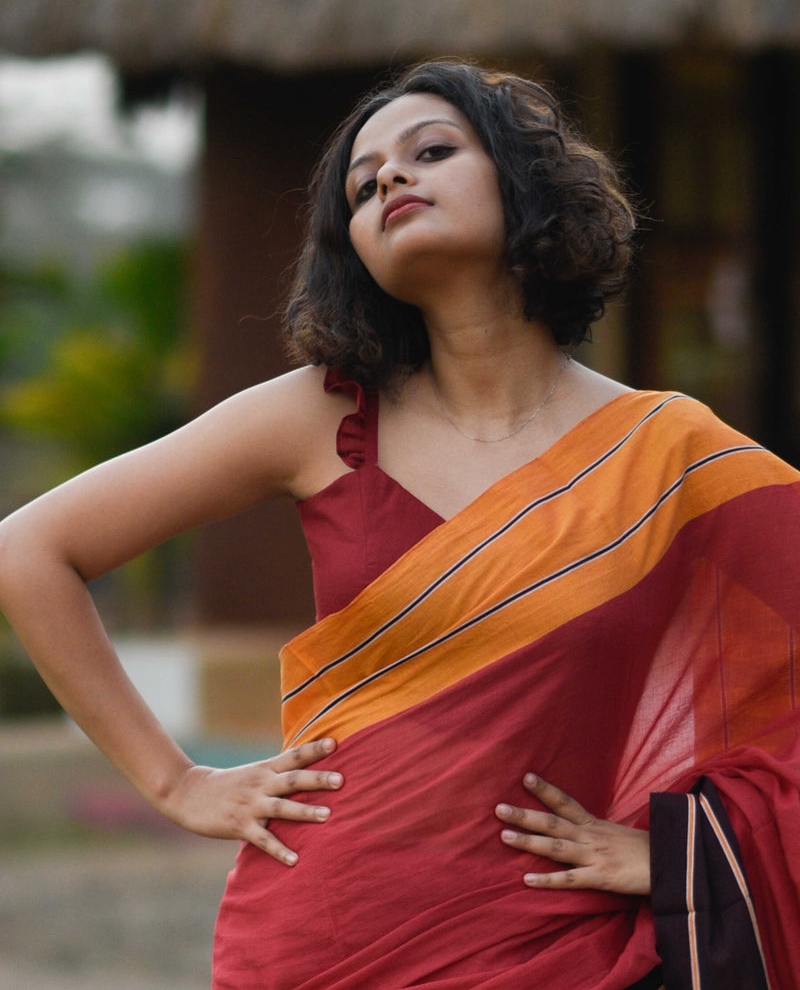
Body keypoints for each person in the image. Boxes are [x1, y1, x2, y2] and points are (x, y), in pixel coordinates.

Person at [0, 59, 798, 989]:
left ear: (525, 184)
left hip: (563, 951)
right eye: (363, 181)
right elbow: (29, 549)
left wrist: (683, 855)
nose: (390, 178)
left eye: (432, 151)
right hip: (320, 940)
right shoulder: (318, 416)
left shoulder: (670, 453)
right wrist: (178, 783)